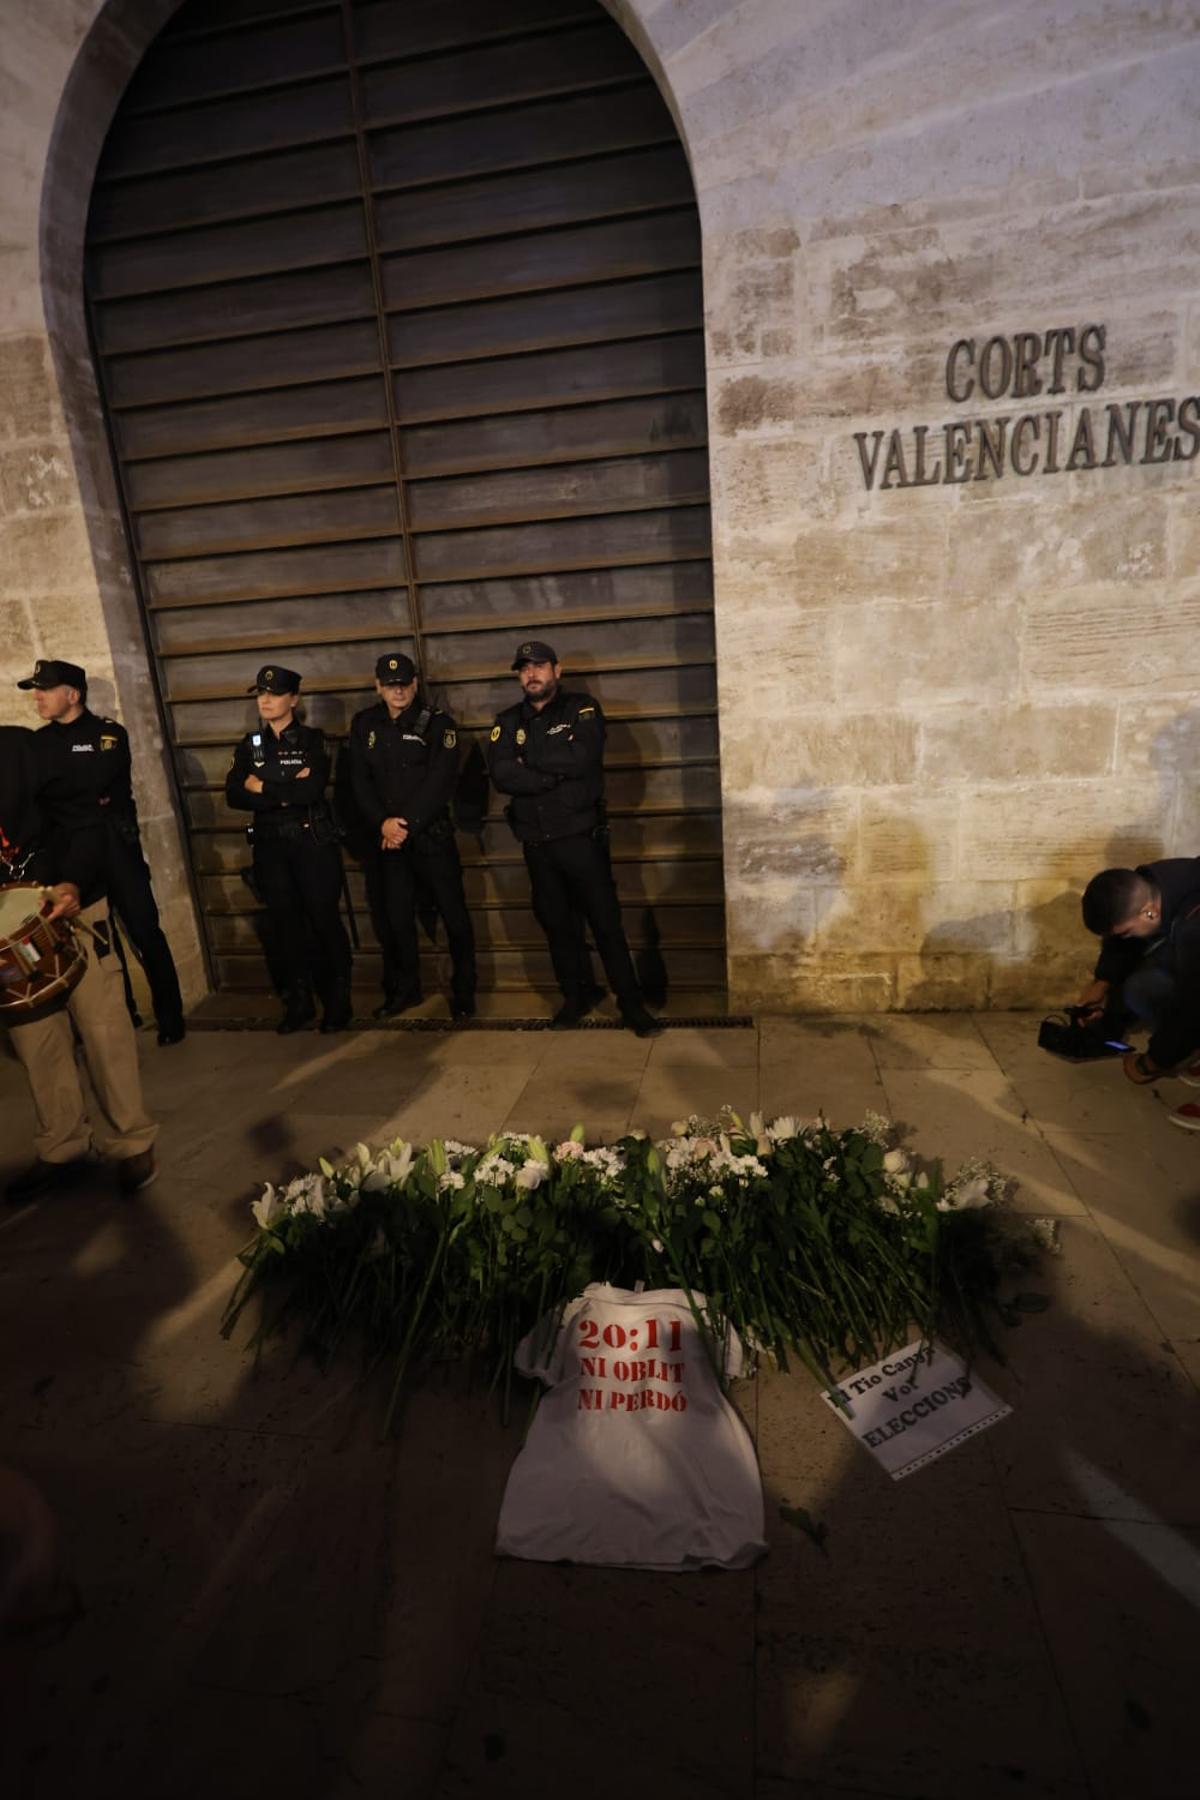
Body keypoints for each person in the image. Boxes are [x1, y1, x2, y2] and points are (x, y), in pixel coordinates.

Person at [0, 723, 158, 1203]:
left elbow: (88, 822)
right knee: (35, 1040)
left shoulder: (26, 751)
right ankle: (63, 1146)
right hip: (13, 930)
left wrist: (72, 881)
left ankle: (132, 1141)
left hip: (73, 903)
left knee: (102, 1026)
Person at [487, 640, 661, 1037]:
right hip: (537, 843)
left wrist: (529, 762)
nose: (531, 674)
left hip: (580, 839)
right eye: (524, 668)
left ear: (557, 670)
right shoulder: (507, 721)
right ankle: (575, 996)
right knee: (558, 927)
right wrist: (552, 773)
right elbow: (501, 773)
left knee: (606, 924)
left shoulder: (582, 709)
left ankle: (631, 1004)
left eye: (539, 666)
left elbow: (583, 758)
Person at [21, 659, 185, 1047]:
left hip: (115, 848)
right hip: (72, 854)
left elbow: (92, 783)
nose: (38, 696)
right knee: (96, 939)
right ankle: (124, 1014)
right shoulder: (37, 743)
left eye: (46, 689)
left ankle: (171, 1017)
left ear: (72, 694)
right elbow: (44, 796)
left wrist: (60, 794)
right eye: (36, 689)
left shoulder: (108, 734)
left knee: (144, 930)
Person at [224, 664, 353, 1035]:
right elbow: (234, 794)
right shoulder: (250, 745)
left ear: (293, 699)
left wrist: (262, 786)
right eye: (261, 694)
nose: (265, 700)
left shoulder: (313, 740)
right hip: (270, 847)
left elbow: (311, 792)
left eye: (275, 693)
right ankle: (299, 1002)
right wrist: (285, 791)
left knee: (323, 921)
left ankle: (337, 1002)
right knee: (286, 926)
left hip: (311, 844)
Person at [347, 652, 475, 1021]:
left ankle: (464, 993)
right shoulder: (364, 724)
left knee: (454, 918)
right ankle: (405, 990)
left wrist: (403, 825)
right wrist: (382, 823)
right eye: (390, 685)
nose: (398, 690)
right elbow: (359, 781)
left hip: (430, 838)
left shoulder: (439, 724)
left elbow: (440, 782)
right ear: (378, 687)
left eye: (404, 683)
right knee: (397, 921)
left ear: (415, 684)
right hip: (388, 842)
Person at [1078, 859, 1200, 1126]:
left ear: (1149, 913)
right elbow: (1123, 944)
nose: (1125, 938)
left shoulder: (1194, 928)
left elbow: (1190, 1006)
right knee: (1144, 985)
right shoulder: (1154, 884)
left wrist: (1151, 1063)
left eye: (1126, 932)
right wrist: (1102, 983)